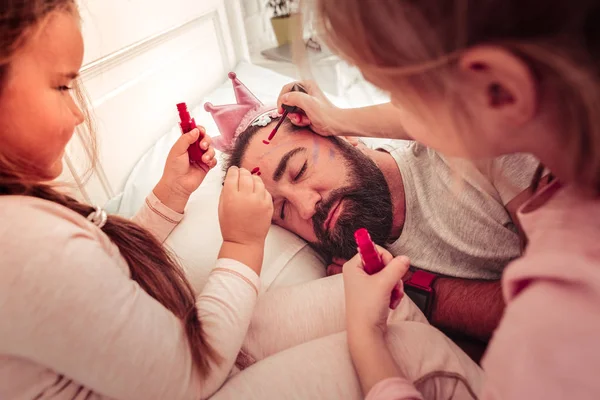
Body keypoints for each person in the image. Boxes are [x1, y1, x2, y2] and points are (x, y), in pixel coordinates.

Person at [277, 0, 600, 398]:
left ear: (499, 90)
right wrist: (336, 117)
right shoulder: (560, 173)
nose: (307, 207)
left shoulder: (554, 330)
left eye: (396, 93)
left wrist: (366, 340)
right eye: (281, 210)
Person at [0, 1, 273, 399]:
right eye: (62, 86)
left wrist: (171, 194)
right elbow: (190, 378)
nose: (78, 115)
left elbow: (95, 281)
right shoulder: (23, 246)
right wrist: (243, 244)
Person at [222, 110, 539, 342]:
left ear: (344, 135)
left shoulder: (471, 147)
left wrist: (418, 291)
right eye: (283, 210)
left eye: (299, 169)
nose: (306, 208)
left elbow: (573, 303)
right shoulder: (349, 274)